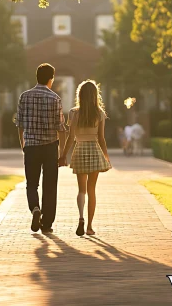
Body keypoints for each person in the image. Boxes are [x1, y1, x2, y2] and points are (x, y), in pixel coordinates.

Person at [16, 63, 67, 234]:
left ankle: (35, 208)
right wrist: (62, 154)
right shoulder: (55, 99)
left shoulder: (24, 96)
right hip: (50, 147)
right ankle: (47, 224)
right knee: (50, 186)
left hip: (31, 146)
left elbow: (20, 124)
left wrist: (23, 144)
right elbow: (60, 127)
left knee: (32, 184)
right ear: (51, 78)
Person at [60, 80, 112, 237]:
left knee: (81, 190)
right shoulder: (100, 113)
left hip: (80, 150)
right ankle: (89, 226)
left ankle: (81, 217)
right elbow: (101, 138)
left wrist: (63, 155)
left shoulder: (74, 113)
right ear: (95, 95)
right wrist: (106, 156)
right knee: (92, 190)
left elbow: (70, 137)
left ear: (80, 95)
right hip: (95, 150)